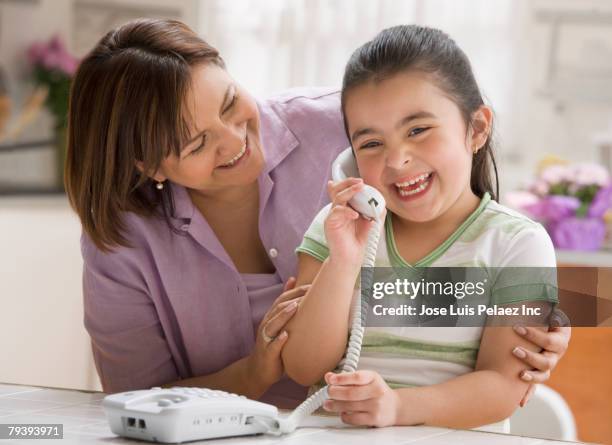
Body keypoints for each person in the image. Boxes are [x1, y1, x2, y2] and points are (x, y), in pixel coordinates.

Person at [64, 18, 569, 409]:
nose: (234, 140)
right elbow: (132, 402)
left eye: (229, 103)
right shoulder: (123, 240)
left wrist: (531, 311)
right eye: (196, 142)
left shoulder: (347, 120)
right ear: (148, 164)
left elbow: (464, 192)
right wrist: (256, 371)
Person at [282, 25, 565, 429]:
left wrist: (397, 406)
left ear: (477, 129)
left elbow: (504, 386)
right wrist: (343, 261)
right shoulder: (336, 229)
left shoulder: (517, 243)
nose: (396, 160)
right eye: (371, 143)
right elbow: (303, 365)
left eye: (418, 130)